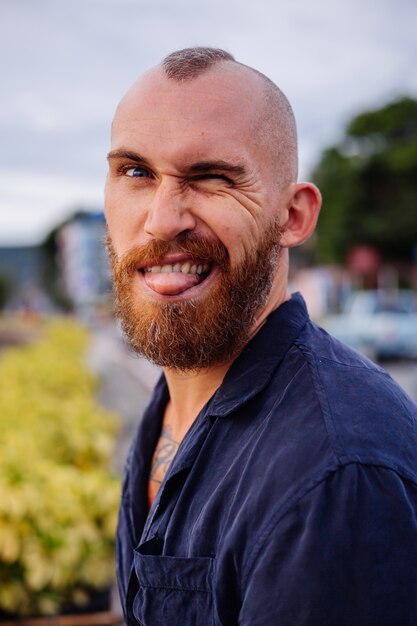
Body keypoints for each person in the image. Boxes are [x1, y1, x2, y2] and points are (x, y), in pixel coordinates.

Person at [104, 47, 417, 626]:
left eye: (212, 177)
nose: (162, 218)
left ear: (293, 215)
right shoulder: (173, 405)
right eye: (136, 172)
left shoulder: (336, 474)